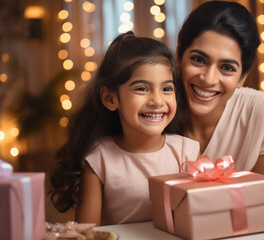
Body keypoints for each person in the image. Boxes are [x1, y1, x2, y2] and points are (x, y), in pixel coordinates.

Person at [49, 32, 200, 225]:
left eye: (166, 89)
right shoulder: (99, 159)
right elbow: (86, 233)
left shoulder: (186, 152)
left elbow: (198, 220)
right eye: (142, 89)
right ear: (110, 99)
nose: (157, 101)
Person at [176, 1, 264, 176]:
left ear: (242, 77)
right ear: (179, 56)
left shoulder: (260, 110)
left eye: (227, 68)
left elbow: (260, 199)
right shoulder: (157, 108)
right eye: (198, 59)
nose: (209, 79)